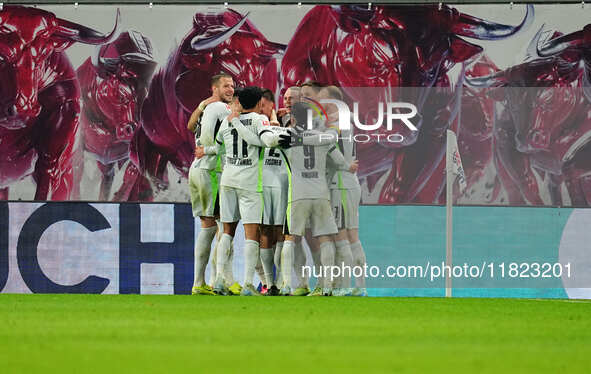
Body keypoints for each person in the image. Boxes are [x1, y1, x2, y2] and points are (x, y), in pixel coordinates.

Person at [213, 86, 289, 296]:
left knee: (227, 231)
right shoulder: (258, 120)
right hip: (250, 183)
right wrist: (278, 140)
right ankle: (247, 284)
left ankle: (220, 280)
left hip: (228, 179)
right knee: (251, 234)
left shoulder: (227, 120)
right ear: (258, 103)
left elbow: (217, 146)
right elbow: (268, 140)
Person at [280, 102, 358, 296]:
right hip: (321, 193)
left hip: (298, 193)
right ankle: (327, 287)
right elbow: (340, 162)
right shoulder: (325, 138)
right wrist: (349, 166)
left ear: (294, 118)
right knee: (324, 239)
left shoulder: (287, 137)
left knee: (291, 239)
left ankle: (287, 285)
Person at [188, 73, 237, 296]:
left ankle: (213, 280)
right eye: (226, 86)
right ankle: (211, 281)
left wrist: (200, 107)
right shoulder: (219, 109)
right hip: (211, 171)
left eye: (233, 86)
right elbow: (209, 139)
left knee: (214, 227)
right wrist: (209, 149)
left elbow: (191, 127)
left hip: (199, 169)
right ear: (214, 88)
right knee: (219, 227)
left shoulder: (208, 108)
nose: (231, 89)